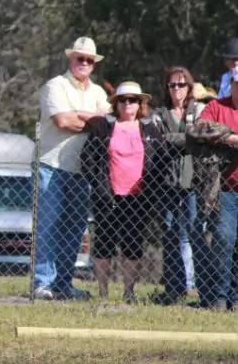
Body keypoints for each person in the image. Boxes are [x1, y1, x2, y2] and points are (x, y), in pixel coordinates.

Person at [32, 37, 111, 301]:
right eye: (81, 58)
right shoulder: (55, 85)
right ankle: (42, 283)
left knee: (75, 229)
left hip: (83, 170)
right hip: (50, 165)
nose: (85, 63)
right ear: (71, 59)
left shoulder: (99, 92)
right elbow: (63, 121)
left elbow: (104, 125)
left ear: (94, 64)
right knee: (48, 225)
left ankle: (63, 285)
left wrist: (80, 114)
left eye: (90, 60)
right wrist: (91, 118)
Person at [81, 82, 164, 303]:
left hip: (139, 197)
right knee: (105, 242)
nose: (128, 104)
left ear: (140, 104)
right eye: (123, 100)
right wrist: (99, 184)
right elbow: (87, 159)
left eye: (133, 100)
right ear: (116, 104)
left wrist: (152, 190)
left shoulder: (150, 129)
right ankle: (102, 292)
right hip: (108, 195)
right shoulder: (104, 127)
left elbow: (161, 160)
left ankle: (129, 291)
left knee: (133, 244)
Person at [150, 68, 204, 301]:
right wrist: (186, 139)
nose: (176, 90)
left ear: (189, 88)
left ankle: (203, 285)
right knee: (170, 233)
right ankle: (174, 287)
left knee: (194, 232)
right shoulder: (159, 114)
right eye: (172, 85)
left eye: (181, 85)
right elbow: (157, 144)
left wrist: (172, 138)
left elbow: (200, 137)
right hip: (167, 182)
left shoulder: (199, 110)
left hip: (194, 181)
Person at [191, 66, 238, 311]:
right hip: (225, 189)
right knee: (223, 238)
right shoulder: (217, 107)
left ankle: (236, 297)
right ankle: (220, 295)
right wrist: (231, 138)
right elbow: (198, 129)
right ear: (232, 84)